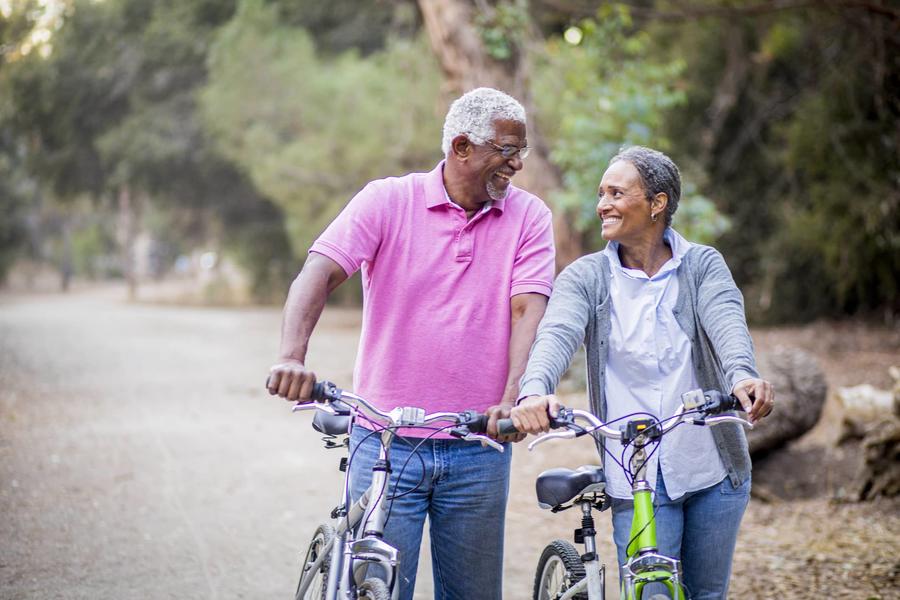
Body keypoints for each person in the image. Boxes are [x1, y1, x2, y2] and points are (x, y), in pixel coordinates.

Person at [266, 88, 555, 600]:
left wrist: (513, 396)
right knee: (377, 588)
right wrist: (292, 357)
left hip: (478, 446)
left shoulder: (529, 217)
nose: (517, 165)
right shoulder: (387, 200)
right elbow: (319, 273)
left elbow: (526, 308)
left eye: (521, 151)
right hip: (383, 443)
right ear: (462, 146)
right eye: (507, 151)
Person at [510, 146, 773, 599]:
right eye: (600, 193)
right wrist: (535, 391)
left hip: (711, 467)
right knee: (653, 593)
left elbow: (727, 325)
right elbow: (556, 335)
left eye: (616, 192)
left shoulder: (702, 266)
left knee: (706, 595)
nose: (602, 204)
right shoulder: (586, 277)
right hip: (635, 476)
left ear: (657, 203)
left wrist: (742, 377)